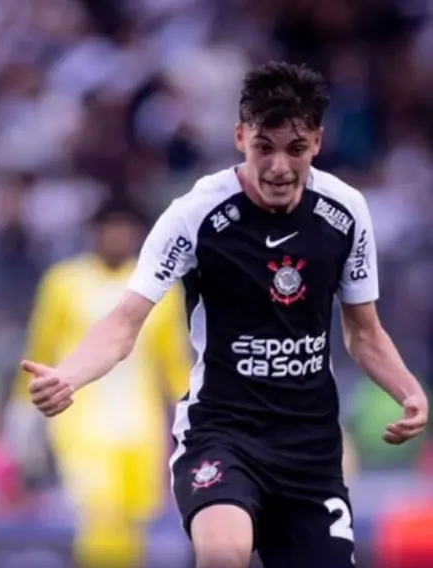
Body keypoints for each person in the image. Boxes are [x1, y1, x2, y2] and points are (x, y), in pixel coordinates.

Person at [21, 61, 429, 568]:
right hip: (222, 432)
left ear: (318, 143)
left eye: (295, 149)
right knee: (222, 554)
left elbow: (364, 333)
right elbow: (125, 321)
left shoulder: (344, 212)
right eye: (265, 147)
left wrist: (409, 391)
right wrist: (69, 375)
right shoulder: (195, 214)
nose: (279, 166)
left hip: (310, 447)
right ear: (241, 136)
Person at [5, 199, 191, 568]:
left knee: (133, 517)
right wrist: (22, 410)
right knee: (101, 510)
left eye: (125, 228)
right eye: (110, 228)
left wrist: (191, 410)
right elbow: (41, 345)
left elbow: (173, 361)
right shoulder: (65, 281)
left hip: (141, 421)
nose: (117, 236)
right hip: (80, 418)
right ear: (96, 233)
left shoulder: (160, 287)